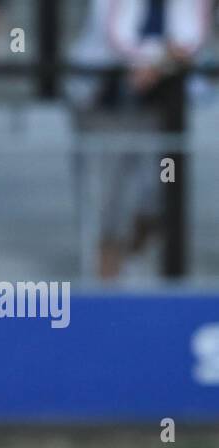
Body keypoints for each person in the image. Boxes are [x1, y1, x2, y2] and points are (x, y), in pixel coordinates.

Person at [67, 0, 213, 280]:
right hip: (106, 110)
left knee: (161, 191)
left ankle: (132, 259)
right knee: (108, 205)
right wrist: (160, 57)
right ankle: (105, 286)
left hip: (161, 115)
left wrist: (158, 62)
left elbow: (189, 41)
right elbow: (116, 38)